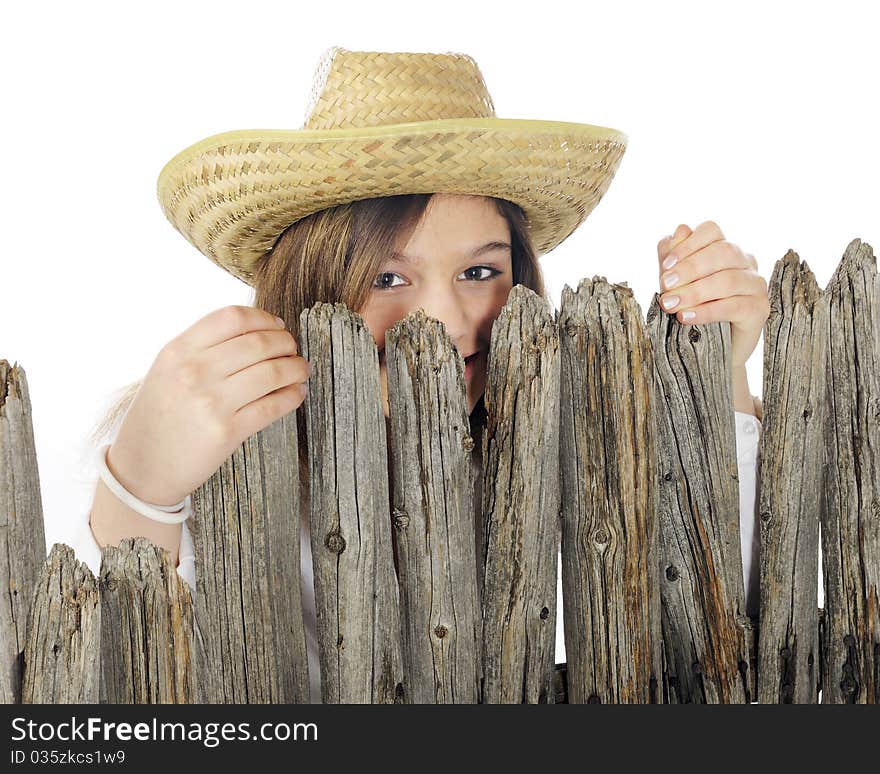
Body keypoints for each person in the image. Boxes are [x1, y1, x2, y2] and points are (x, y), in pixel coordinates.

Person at [69, 48, 768, 704]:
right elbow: (118, 690)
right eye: (387, 275)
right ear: (307, 285)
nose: (440, 320)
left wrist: (721, 376)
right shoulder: (217, 456)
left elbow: (719, 618)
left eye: (480, 271)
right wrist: (141, 481)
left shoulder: (571, 435)